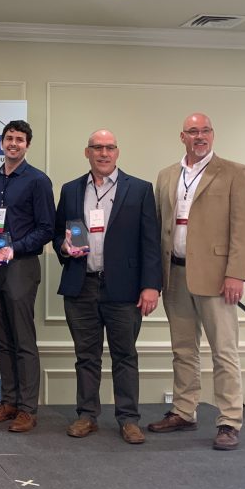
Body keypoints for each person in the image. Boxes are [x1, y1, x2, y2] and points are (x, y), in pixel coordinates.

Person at [149, 112, 245, 450]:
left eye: (205, 130)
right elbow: (159, 225)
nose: (200, 136)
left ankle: (229, 421)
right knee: (183, 349)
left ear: (213, 134)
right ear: (182, 137)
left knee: (224, 351)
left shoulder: (235, 173)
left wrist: (236, 273)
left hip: (217, 277)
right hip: (174, 274)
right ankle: (184, 411)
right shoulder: (167, 175)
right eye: (193, 131)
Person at [54, 129, 162, 445]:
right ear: (87, 152)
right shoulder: (71, 189)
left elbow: (151, 242)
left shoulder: (140, 189)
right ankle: (87, 415)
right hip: (82, 285)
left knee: (125, 355)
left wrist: (151, 286)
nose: (103, 153)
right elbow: (59, 233)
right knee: (86, 356)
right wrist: (64, 247)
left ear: (117, 152)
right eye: (97, 147)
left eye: (109, 148)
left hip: (124, 289)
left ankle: (128, 419)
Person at [0, 120, 55, 433]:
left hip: (20, 266)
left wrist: (14, 249)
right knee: (2, 339)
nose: (13, 143)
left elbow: (47, 229)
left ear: (27, 145)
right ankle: (9, 402)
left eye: (19, 139)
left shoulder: (38, 181)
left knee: (23, 340)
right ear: (2, 142)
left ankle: (27, 409)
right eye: (9, 138)